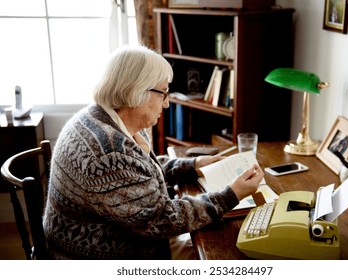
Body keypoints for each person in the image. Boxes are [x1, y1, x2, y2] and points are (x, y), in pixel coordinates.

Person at [43, 45, 264, 260]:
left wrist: (194, 165)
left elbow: (138, 172)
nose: (167, 103)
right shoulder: (109, 153)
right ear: (137, 91)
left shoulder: (102, 117)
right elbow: (160, 220)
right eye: (163, 93)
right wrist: (231, 195)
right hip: (102, 255)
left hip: (116, 235)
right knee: (227, 254)